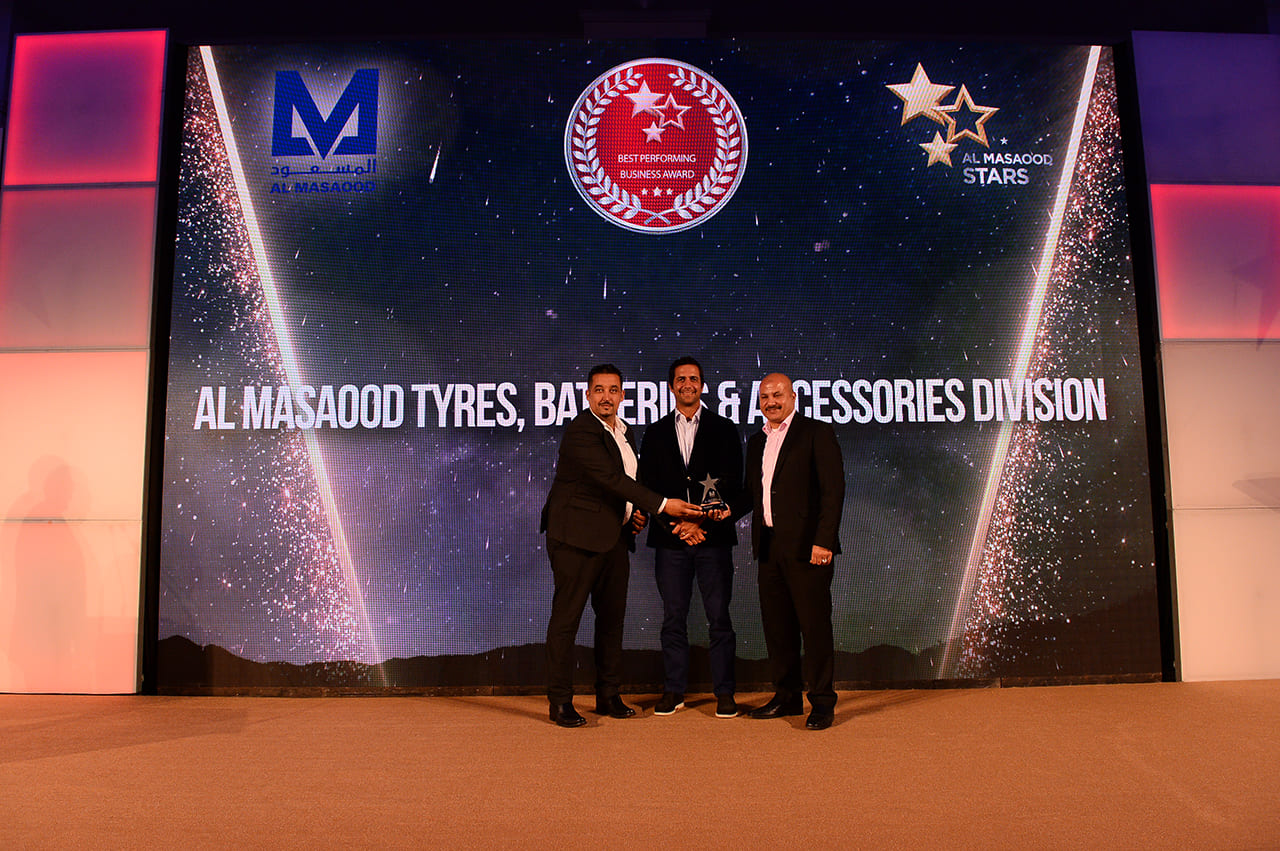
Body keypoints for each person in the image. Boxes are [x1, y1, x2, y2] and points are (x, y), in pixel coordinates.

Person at [540, 363, 704, 728]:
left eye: (613, 390)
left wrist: (639, 515)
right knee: (566, 621)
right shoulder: (581, 431)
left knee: (612, 621)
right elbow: (610, 478)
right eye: (599, 390)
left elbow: (631, 482)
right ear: (588, 395)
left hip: (614, 538)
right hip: (575, 540)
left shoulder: (624, 432)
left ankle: (609, 695)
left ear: (622, 395)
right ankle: (560, 701)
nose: (606, 397)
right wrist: (664, 505)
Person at [638, 357, 744, 719]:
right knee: (673, 619)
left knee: (720, 619)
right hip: (670, 542)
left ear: (702, 385)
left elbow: (734, 484)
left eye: (694, 378)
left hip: (713, 541)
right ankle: (674, 691)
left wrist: (701, 526)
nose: (688, 384)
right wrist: (677, 525)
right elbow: (647, 489)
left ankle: (725, 693)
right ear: (671, 386)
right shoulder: (654, 432)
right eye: (681, 379)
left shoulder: (724, 429)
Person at [743, 373, 846, 730]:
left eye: (778, 394)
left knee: (814, 628)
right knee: (778, 628)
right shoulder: (757, 441)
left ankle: (822, 702)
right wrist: (721, 511)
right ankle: (787, 698)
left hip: (808, 548)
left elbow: (833, 491)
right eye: (765, 396)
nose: (771, 402)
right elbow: (751, 493)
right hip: (769, 547)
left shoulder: (816, 432)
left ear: (793, 396)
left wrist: (824, 541)